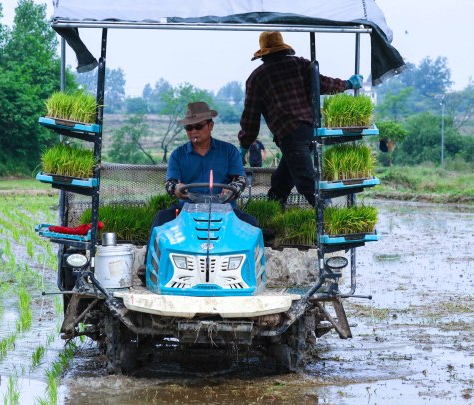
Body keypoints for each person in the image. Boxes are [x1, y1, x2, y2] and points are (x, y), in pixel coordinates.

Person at [238, 31, 363, 207]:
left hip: (290, 133)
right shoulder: (300, 65)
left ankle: (330, 219)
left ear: (263, 53)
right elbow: (323, 83)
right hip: (311, 131)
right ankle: (271, 215)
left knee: (307, 182)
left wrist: (244, 146)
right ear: (283, 48)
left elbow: (251, 118)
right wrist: (347, 84)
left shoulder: (257, 77)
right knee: (281, 183)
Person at [139, 101, 258, 285]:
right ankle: (149, 267)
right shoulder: (178, 155)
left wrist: (230, 191)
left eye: (198, 126)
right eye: (189, 128)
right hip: (186, 208)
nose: (193, 131)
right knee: (161, 218)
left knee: (251, 223)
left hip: (225, 209)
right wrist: (177, 189)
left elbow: (240, 180)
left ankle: (249, 272)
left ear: (210, 126)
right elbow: (170, 183)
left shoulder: (229, 151)